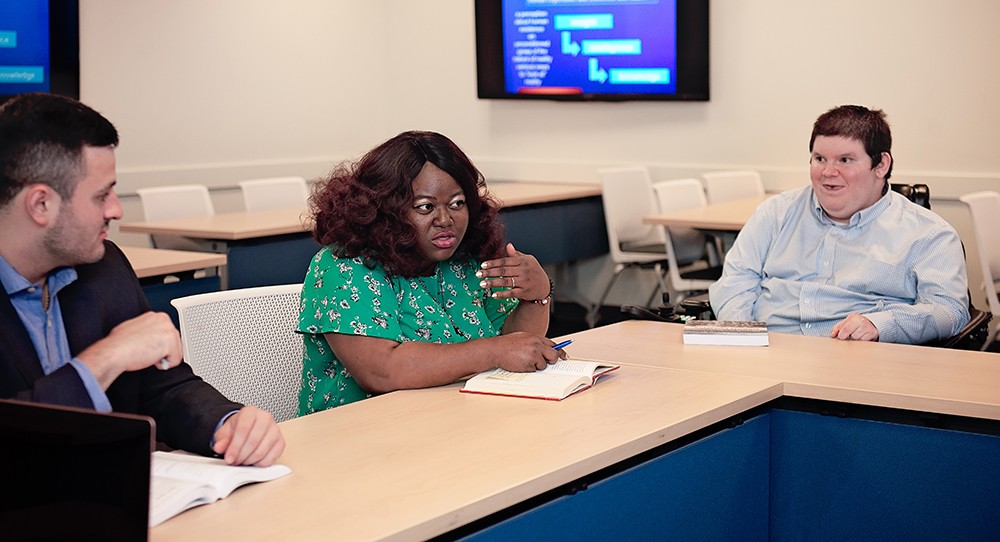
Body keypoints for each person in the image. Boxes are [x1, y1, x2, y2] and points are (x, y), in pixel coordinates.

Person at [0, 93, 284, 466]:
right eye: (102, 196)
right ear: (40, 204)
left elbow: (162, 387)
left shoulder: (103, 267)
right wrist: (104, 359)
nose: (116, 210)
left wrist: (227, 424)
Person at [298, 131, 564, 413]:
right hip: (358, 435)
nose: (445, 219)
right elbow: (381, 371)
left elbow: (514, 341)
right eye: (426, 207)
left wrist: (537, 295)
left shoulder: (466, 260)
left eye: (457, 203)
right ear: (386, 209)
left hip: (457, 419)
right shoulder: (344, 266)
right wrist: (495, 350)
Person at [709, 105, 969, 344]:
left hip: (859, 367)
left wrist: (880, 324)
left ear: (881, 165)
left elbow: (950, 311)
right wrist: (741, 335)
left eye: (845, 160)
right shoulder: (775, 213)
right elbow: (735, 281)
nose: (828, 172)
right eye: (819, 159)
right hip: (765, 355)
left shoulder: (928, 233)